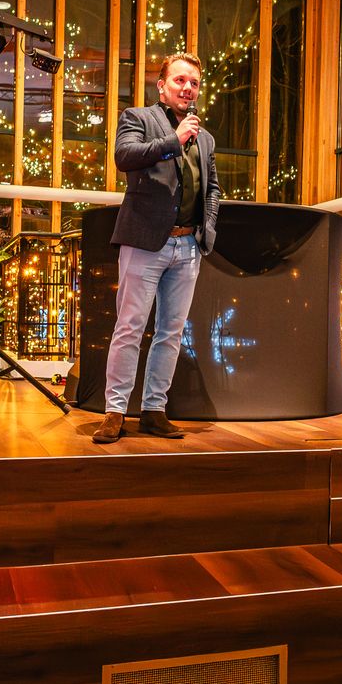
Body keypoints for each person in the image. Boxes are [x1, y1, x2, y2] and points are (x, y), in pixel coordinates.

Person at [94, 52, 220, 444]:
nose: (188, 88)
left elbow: (212, 188)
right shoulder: (138, 118)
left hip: (188, 247)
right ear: (162, 85)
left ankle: (153, 410)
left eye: (194, 83)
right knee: (129, 328)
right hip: (145, 243)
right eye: (180, 80)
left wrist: (206, 230)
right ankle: (115, 412)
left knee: (171, 333)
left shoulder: (205, 138)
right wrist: (173, 140)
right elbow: (124, 156)